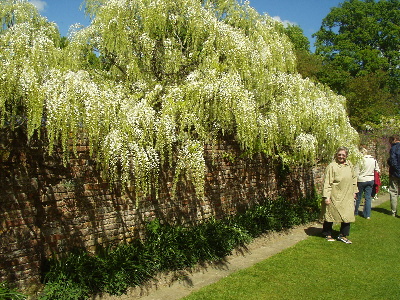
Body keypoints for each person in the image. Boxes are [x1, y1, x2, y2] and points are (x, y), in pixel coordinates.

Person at [322, 147, 358, 244]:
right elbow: (327, 182)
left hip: (347, 195)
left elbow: (354, 178)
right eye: (339, 154)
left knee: (348, 215)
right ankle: (327, 233)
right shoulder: (332, 166)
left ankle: (343, 235)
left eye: (343, 155)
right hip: (335, 195)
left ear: (346, 155)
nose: (341, 157)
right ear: (336, 155)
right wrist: (327, 197)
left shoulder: (349, 165)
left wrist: (355, 191)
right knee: (330, 214)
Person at [354, 147, 380, 219]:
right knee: (368, 198)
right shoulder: (373, 160)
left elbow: (356, 172)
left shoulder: (360, 160)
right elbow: (377, 170)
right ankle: (367, 214)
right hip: (370, 180)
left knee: (358, 197)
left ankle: (355, 212)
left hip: (361, 180)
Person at [388, 135, 400, 217]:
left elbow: (393, 161)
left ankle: (393, 212)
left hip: (394, 174)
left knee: (393, 192)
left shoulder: (394, 148)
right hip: (396, 172)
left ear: (394, 140)